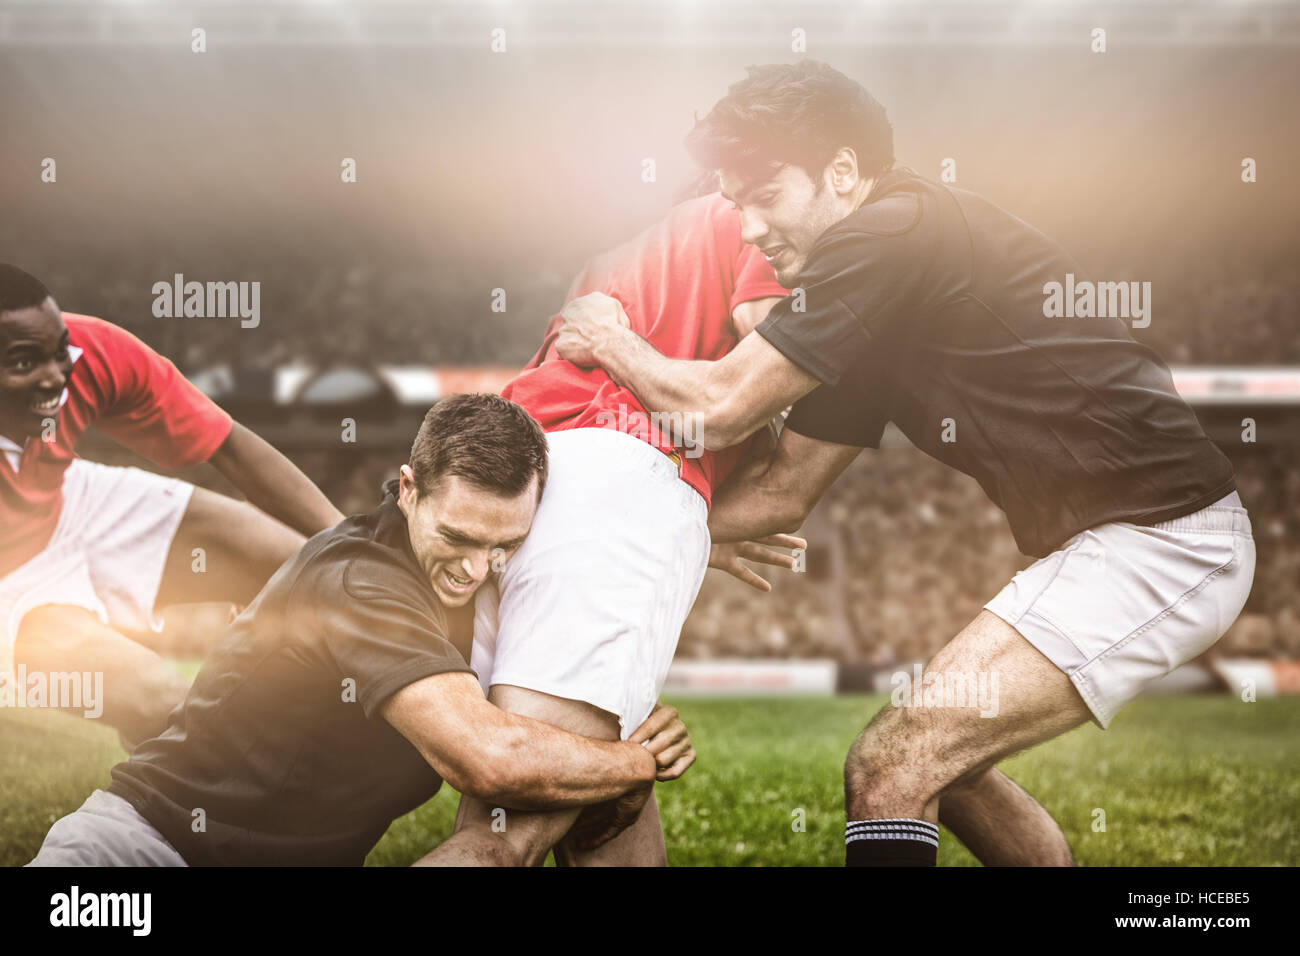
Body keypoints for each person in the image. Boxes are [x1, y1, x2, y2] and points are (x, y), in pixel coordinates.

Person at [553, 60, 1255, 867]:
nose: (746, 229)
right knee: (944, 770)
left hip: (1165, 541)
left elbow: (721, 407)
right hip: (1121, 543)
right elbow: (780, 496)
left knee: (892, 767)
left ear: (845, 172)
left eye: (767, 196)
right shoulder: (867, 298)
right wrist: (658, 523)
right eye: (736, 204)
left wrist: (608, 337)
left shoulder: (892, 231)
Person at [28, 394, 693, 866]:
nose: (472, 568)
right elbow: (492, 761)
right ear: (408, 490)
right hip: (142, 855)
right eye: (457, 536)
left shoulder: (472, 580)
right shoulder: (360, 582)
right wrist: (637, 762)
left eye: (501, 545)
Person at [419, 185, 802, 867]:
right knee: (509, 835)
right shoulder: (748, 219)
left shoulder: (604, 263)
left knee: (599, 794)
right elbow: (767, 324)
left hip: (524, 482)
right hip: (624, 479)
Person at [0, 264, 342, 749]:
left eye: (59, 353)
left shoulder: (90, 350)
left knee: (319, 578)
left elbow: (228, 445)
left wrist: (364, 555)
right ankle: (176, 800)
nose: (55, 377)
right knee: (159, 702)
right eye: (21, 364)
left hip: (67, 499)